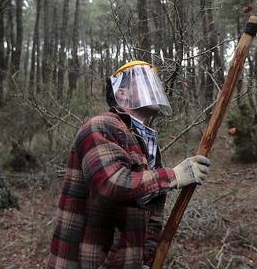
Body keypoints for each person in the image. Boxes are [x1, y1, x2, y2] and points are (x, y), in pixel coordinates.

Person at [47, 60, 211, 269]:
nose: (153, 87)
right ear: (122, 93)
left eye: (154, 82)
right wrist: (174, 176)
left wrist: (144, 259)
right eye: (144, 81)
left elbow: (148, 211)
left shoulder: (142, 140)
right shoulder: (101, 126)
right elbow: (111, 184)